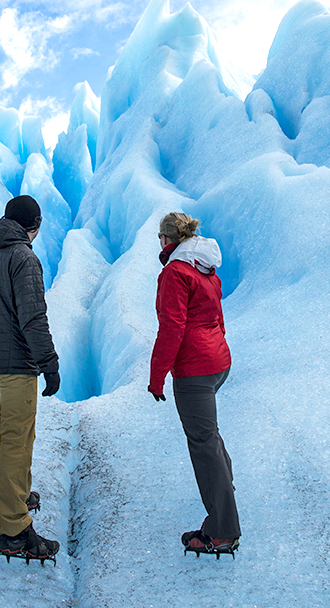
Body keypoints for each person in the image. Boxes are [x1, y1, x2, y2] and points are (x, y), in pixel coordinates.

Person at [0, 194, 62, 562]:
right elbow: (33, 318)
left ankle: (19, 494)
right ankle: (14, 530)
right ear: (34, 226)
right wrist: (49, 363)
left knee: (20, 433)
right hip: (15, 367)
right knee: (14, 440)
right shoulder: (24, 258)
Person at [148, 212, 241, 555]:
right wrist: (218, 350)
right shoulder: (205, 268)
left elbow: (171, 328)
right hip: (217, 362)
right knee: (209, 436)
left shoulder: (175, 272)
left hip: (194, 371)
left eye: (160, 237)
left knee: (203, 444)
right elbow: (216, 316)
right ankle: (224, 494)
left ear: (168, 240)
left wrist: (157, 377)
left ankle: (222, 531)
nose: (159, 243)